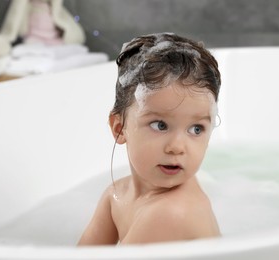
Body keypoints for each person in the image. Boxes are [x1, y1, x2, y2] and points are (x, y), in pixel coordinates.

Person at [78, 32, 221, 245]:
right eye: (160, 125)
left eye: (196, 129)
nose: (177, 147)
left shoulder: (169, 214)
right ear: (119, 127)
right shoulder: (116, 195)